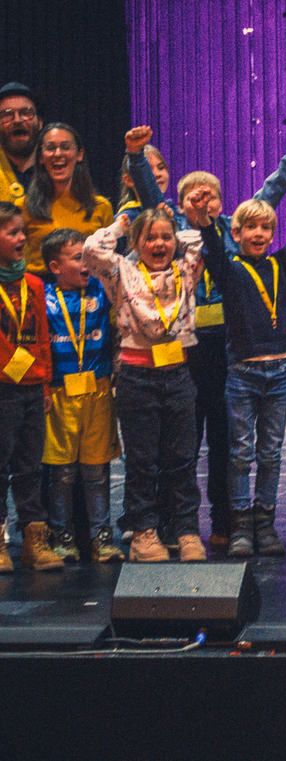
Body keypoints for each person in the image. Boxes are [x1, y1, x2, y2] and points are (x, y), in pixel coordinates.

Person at [125, 123, 286, 552]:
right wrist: (137, 159)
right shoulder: (169, 231)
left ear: (224, 204)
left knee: (229, 439)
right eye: (194, 196)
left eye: (211, 197)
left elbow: (270, 194)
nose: (202, 202)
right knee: (181, 441)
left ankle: (229, 521)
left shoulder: (232, 230)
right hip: (185, 346)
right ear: (180, 203)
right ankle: (173, 524)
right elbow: (152, 199)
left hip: (229, 345)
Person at [195, 129, 286, 559]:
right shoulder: (229, 268)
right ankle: (240, 525)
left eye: (266, 227)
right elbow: (213, 251)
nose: (259, 233)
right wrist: (205, 221)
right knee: (240, 452)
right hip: (242, 372)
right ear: (235, 232)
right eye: (250, 228)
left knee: (272, 452)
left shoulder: (281, 263)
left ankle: (265, 522)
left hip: (277, 372)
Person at [83, 205, 206, 562]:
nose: (159, 243)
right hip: (137, 377)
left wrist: (179, 223)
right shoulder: (121, 271)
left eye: (166, 237)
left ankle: (185, 531)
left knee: (182, 459)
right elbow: (92, 251)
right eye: (150, 237)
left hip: (178, 374)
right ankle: (144, 532)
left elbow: (197, 244)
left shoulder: (186, 270)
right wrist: (120, 227)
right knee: (142, 462)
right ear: (137, 243)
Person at [41, 227, 123, 563]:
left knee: (96, 469)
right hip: (59, 394)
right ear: (55, 267)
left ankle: (101, 536)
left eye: (88, 256)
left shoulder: (103, 292)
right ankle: (62, 535)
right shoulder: (44, 299)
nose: (86, 263)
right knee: (61, 472)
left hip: (98, 390)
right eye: (78, 258)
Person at [0, 202, 60, 571]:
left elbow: (42, 337)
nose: (22, 237)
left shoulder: (34, 283)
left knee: (29, 466)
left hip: (31, 386)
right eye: (12, 232)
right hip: (1, 388)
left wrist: (46, 384)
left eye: (23, 231)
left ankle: (34, 541)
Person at [18, 123, 114, 276]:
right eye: (50, 148)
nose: (58, 153)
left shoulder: (101, 206)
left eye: (65, 147)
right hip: (40, 291)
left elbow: (110, 261)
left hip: (91, 293)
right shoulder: (23, 206)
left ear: (79, 154)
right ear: (41, 157)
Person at [0, 82, 43, 198]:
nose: (17, 120)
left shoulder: (57, 172)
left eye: (26, 113)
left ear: (39, 123)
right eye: (7, 114)